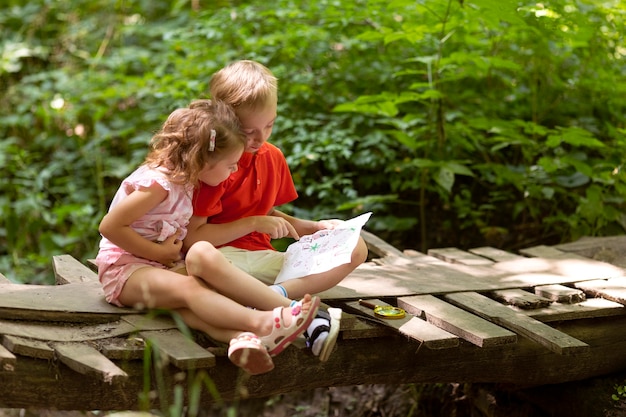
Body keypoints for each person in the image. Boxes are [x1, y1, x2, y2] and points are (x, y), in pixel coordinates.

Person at [95, 99, 320, 376]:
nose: (234, 171)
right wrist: (159, 254)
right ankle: (266, 321)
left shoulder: (189, 180)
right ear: (202, 160)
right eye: (230, 165)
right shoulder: (157, 185)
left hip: (161, 266)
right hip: (125, 269)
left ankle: (240, 338)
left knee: (195, 302)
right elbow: (110, 226)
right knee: (191, 292)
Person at [185, 60, 368, 361]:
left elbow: (265, 212)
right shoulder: (216, 165)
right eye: (249, 131)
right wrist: (254, 222)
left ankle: (276, 299)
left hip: (265, 263)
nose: (261, 139)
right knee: (200, 267)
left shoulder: (272, 157)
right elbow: (195, 238)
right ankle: (286, 314)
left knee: (355, 247)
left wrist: (316, 226)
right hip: (224, 264)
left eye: (269, 125)